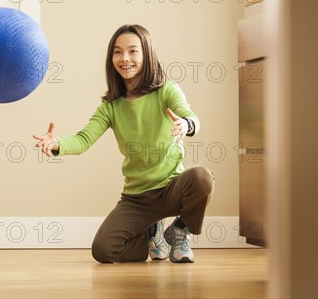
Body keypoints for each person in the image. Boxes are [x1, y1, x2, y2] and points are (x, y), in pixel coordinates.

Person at [33, 24, 214, 264]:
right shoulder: (111, 106)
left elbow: (192, 118)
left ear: (146, 55)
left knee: (202, 178)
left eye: (132, 51)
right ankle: (150, 232)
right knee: (104, 251)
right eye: (117, 52)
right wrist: (57, 144)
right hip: (137, 199)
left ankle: (180, 230)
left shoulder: (166, 91)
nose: (124, 58)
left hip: (171, 188)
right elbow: (83, 139)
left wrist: (186, 125)